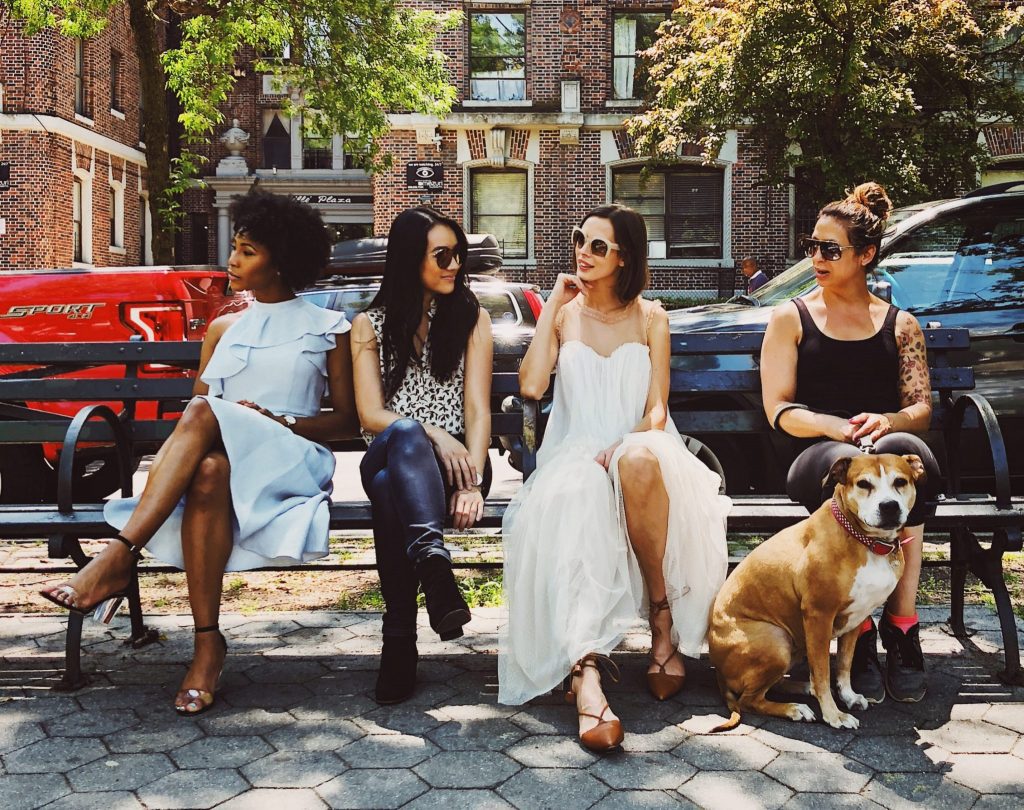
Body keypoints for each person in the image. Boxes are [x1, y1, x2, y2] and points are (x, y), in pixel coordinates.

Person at [39, 189, 357, 715]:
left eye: (248, 250)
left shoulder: (328, 327)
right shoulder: (223, 328)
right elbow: (199, 425)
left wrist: (277, 420)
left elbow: (346, 421)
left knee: (204, 411)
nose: (232, 259)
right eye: (235, 246)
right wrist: (234, 421)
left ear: (282, 260)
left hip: (290, 460)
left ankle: (119, 555)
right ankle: (207, 644)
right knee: (207, 468)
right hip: (228, 462)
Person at [499, 204, 730, 752]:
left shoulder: (652, 317)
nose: (583, 251)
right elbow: (531, 388)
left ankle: (662, 621)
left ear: (625, 256)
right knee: (579, 492)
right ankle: (586, 673)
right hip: (573, 452)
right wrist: (555, 300)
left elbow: (657, 408)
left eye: (598, 245)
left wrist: (625, 442)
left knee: (639, 460)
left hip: (638, 442)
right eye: (580, 239)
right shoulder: (564, 314)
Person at [760, 182, 940, 704]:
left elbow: (920, 408)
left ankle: (901, 626)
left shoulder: (899, 324)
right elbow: (778, 409)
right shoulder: (790, 318)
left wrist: (888, 419)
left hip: (883, 452)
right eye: (811, 245)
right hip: (813, 451)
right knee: (848, 465)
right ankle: (855, 632)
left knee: (916, 459)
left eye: (830, 249)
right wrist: (833, 426)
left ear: (865, 255)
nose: (816, 257)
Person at [351, 206, 493, 705]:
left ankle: (400, 639)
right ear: (411, 260)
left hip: (457, 470)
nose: (454, 264)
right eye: (442, 255)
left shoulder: (472, 319)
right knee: (404, 437)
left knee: (393, 489)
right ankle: (432, 561)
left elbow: (477, 409)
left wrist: (472, 480)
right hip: (392, 449)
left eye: (457, 254)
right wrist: (433, 432)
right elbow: (371, 415)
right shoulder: (370, 325)